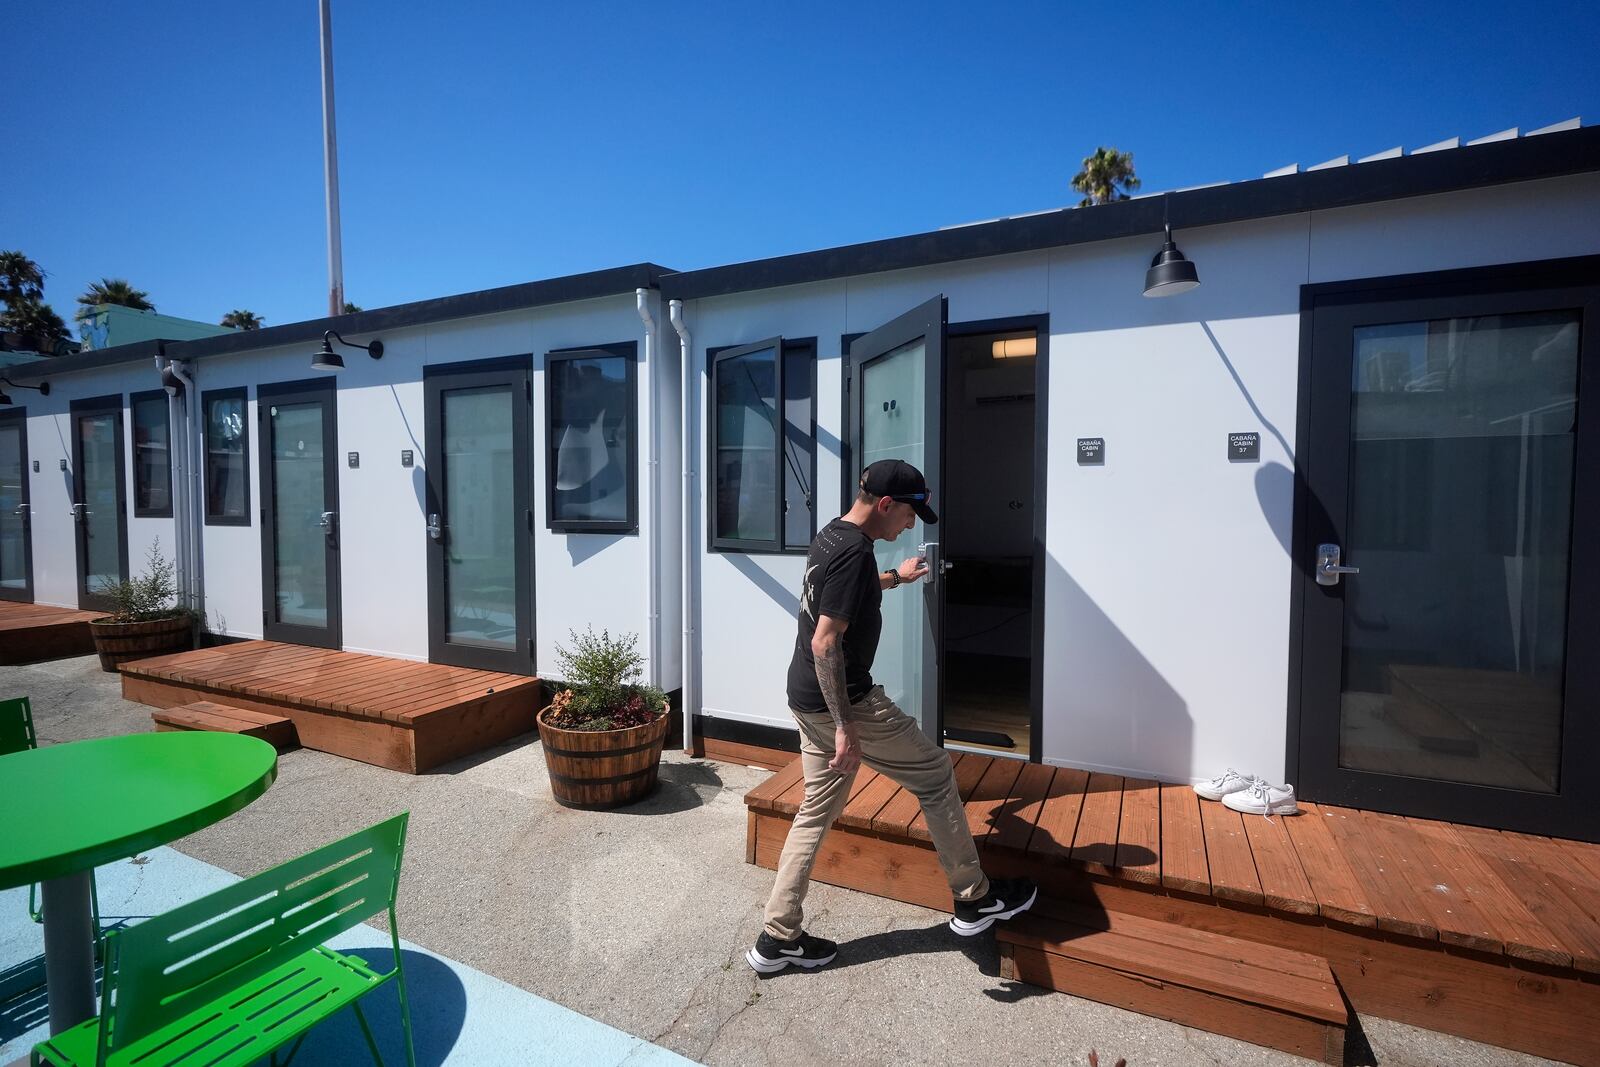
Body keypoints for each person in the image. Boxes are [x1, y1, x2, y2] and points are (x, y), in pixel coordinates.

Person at [747, 459, 1037, 974]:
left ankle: (777, 936)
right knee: (936, 774)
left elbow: (841, 600)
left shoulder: (832, 537)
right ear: (885, 504)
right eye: (909, 514)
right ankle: (974, 898)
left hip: (804, 697)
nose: (910, 525)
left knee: (815, 810)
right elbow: (826, 640)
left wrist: (894, 578)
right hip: (845, 702)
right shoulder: (854, 554)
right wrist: (845, 727)